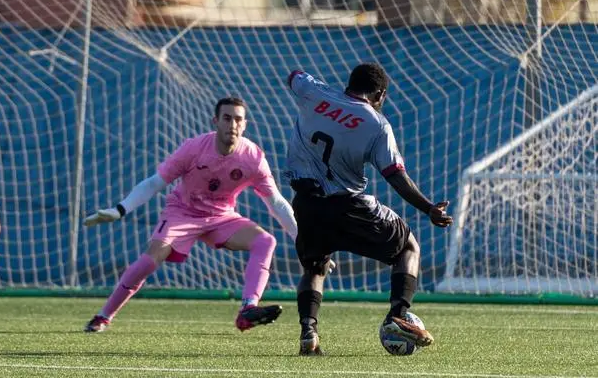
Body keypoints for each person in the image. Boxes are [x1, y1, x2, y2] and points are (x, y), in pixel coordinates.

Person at [82, 97, 298, 333]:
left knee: (266, 241)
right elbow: (155, 183)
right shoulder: (193, 148)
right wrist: (120, 209)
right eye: (227, 118)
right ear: (216, 121)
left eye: (238, 119)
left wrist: (302, 240)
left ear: (245, 124)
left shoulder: (253, 158)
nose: (232, 125)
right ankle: (103, 316)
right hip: (182, 212)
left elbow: (276, 202)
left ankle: (247, 311)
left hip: (221, 217)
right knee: (148, 261)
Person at [284, 62, 453, 355]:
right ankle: (398, 316)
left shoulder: (313, 92)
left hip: (306, 203)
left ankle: (308, 333)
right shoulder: (376, 124)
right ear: (381, 94)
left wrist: (320, 91)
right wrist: (428, 208)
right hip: (347, 205)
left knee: (316, 265)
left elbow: (294, 76)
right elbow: (395, 176)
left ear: (349, 84)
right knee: (408, 247)